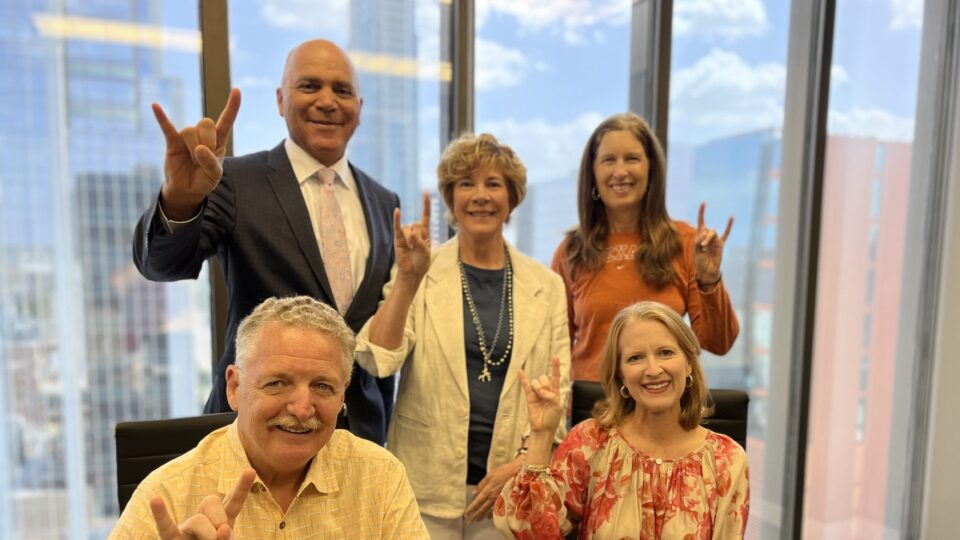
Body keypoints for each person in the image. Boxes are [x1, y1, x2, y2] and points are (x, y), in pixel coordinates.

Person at [132, 39, 398, 445]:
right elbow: (163, 265)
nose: (327, 101)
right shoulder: (234, 181)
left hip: (358, 436)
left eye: (342, 90)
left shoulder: (384, 202)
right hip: (256, 432)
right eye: (309, 86)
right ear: (280, 100)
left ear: (359, 108)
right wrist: (181, 198)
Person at [355, 133, 571, 538]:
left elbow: (558, 393)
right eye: (466, 184)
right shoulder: (422, 268)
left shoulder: (547, 285)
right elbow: (376, 359)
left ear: (512, 197)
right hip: (425, 483)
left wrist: (522, 464)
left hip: (506, 487)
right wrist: (407, 280)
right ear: (450, 198)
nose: (480, 196)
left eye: (493, 184)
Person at [109, 296, 428, 539]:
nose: (303, 409)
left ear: (342, 394)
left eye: (322, 386)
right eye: (277, 383)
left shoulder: (379, 477)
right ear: (234, 387)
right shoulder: (167, 493)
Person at [494, 301, 749, 539]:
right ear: (621, 375)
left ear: (689, 363)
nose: (653, 370)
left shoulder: (727, 460)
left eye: (666, 352)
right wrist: (540, 436)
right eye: (635, 358)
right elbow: (532, 532)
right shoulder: (591, 443)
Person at [552, 113, 739, 382]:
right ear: (593, 174)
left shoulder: (685, 242)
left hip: (664, 410)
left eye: (632, 158)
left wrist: (709, 279)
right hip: (592, 413)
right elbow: (555, 350)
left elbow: (718, 343)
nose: (620, 171)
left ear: (651, 170)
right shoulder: (571, 252)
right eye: (608, 160)